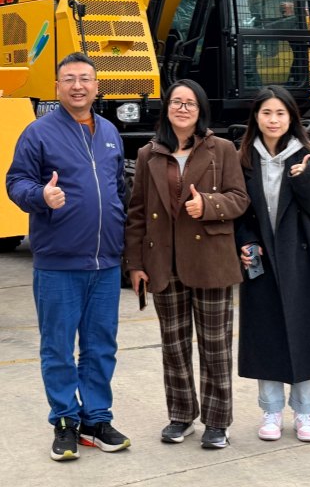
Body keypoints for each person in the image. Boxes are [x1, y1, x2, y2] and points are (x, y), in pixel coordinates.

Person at [6, 52, 130, 462]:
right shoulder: (38, 133)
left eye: (85, 79)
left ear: (97, 86)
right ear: (57, 87)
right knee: (58, 348)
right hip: (59, 263)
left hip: (105, 263)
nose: (78, 86)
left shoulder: (110, 132)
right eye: (69, 79)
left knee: (101, 346)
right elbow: (16, 182)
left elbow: (117, 188)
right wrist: (40, 196)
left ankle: (96, 419)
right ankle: (64, 421)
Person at [123, 79, 249, 450]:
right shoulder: (148, 154)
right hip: (164, 262)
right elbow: (137, 213)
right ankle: (181, 415)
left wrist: (207, 205)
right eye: (176, 102)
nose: (182, 108)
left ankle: (217, 422)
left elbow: (240, 199)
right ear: (166, 109)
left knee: (215, 346)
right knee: (174, 346)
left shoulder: (222, 149)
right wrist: (135, 263)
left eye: (189, 103)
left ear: (200, 110)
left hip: (210, 261)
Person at [235, 85, 310, 443]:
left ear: (291, 118)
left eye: (280, 113)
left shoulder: (309, 155)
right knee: (266, 335)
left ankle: (304, 413)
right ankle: (270, 411)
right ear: (256, 117)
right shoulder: (243, 159)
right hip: (262, 259)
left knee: (305, 333)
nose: (273, 120)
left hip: (301, 258)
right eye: (266, 113)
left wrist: (305, 177)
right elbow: (240, 211)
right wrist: (245, 242)